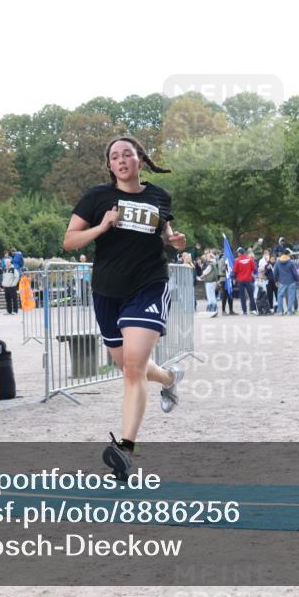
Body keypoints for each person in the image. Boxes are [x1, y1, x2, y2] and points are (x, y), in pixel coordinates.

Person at [62, 135, 186, 480]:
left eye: (127, 154)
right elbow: (70, 240)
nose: (121, 160)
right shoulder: (97, 197)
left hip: (149, 284)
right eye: (114, 156)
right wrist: (102, 226)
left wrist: (173, 241)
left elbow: (165, 233)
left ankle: (125, 449)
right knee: (132, 366)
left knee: (133, 370)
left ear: (140, 160)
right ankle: (170, 377)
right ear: (110, 165)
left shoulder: (158, 196)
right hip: (107, 290)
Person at [233, 246, 257, 315]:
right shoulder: (250, 260)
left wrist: (235, 278)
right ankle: (253, 309)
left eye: (238, 253)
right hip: (248, 280)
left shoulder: (237, 260)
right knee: (251, 295)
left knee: (242, 296)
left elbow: (235, 271)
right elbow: (254, 269)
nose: (237, 254)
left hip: (240, 280)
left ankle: (244, 311)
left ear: (240, 253)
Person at [197, 251, 220, 316]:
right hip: (213, 280)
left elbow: (206, 272)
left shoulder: (211, 264)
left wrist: (200, 276)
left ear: (210, 257)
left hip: (210, 280)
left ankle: (212, 306)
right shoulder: (214, 263)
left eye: (207, 256)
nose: (206, 258)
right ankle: (213, 306)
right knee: (211, 294)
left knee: (210, 294)